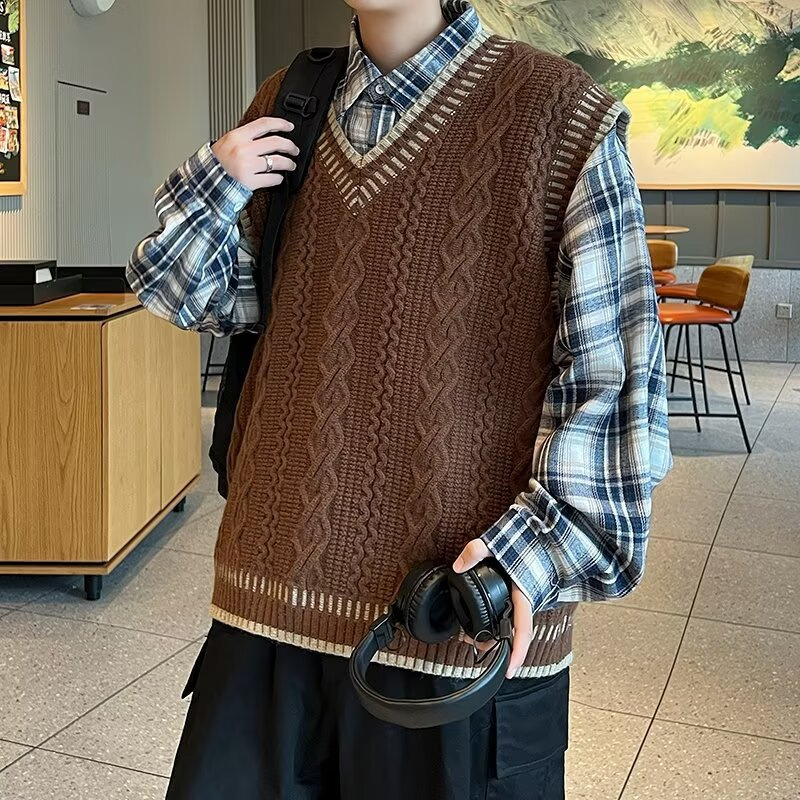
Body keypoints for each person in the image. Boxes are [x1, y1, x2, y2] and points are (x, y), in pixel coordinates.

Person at [127, 1, 672, 797]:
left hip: (450, 623)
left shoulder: (562, 115)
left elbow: (616, 378)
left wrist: (536, 553)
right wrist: (213, 182)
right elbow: (195, 298)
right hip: (265, 599)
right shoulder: (289, 101)